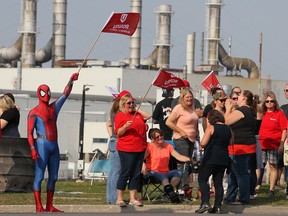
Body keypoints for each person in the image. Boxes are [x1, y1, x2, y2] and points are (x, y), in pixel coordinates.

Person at [27, 73, 78, 212]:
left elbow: (64, 95)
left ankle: (49, 205)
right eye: (44, 92)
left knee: (54, 177)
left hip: (53, 145)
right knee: (39, 176)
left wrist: (70, 81)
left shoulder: (53, 109)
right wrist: (32, 148)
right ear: (39, 94)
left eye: (48, 91)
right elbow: (29, 133)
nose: (47, 94)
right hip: (42, 144)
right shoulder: (34, 112)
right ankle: (39, 206)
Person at [114, 91, 151, 207]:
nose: (131, 105)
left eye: (133, 103)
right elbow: (118, 133)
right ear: (123, 104)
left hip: (139, 148)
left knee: (136, 174)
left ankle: (132, 198)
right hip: (126, 148)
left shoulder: (137, 114)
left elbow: (148, 116)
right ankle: (119, 198)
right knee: (125, 172)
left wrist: (137, 109)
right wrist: (125, 126)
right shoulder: (120, 115)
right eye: (129, 103)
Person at [195, 110, 232, 214]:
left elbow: (203, 143)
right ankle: (217, 206)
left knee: (202, 179)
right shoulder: (228, 128)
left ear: (211, 118)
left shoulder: (211, 127)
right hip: (223, 159)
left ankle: (205, 203)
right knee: (218, 182)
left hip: (211, 158)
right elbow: (231, 142)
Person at [224, 90, 257, 204]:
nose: (237, 97)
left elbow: (226, 121)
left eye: (239, 95)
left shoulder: (242, 110)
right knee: (234, 173)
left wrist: (228, 108)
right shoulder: (249, 111)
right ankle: (230, 197)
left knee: (240, 173)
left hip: (240, 147)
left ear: (244, 99)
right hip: (243, 146)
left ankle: (243, 198)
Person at [142, 128, 191, 203]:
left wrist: (189, 159)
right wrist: (143, 164)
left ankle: (167, 194)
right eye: (157, 137)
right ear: (152, 138)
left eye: (161, 135)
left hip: (165, 171)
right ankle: (171, 194)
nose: (160, 138)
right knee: (163, 176)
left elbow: (178, 156)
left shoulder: (168, 145)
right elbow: (141, 159)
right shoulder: (150, 147)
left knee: (179, 172)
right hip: (152, 172)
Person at [166, 88, 199, 192]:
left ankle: (185, 187)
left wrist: (197, 133)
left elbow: (195, 122)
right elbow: (169, 122)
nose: (189, 99)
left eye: (190, 97)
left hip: (192, 139)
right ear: (182, 98)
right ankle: (182, 189)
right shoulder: (178, 108)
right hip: (181, 139)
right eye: (187, 97)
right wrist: (180, 131)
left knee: (189, 164)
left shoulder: (193, 107)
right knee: (184, 164)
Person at [259, 91, 287, 197]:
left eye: (271, 101)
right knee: (259, 166)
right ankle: (256, 187)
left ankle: (271, 189)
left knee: (273, 167)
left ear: (275, 102)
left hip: (274, 144)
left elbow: (284, 129)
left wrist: (281, 143)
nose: (269, 103)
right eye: (267, 101)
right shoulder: (262, 112)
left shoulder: (279, 113)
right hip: (261, 144)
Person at [105, 92, 123, 205]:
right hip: (118, 141)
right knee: (117, 171)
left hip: (112, 140)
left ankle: (110, 197)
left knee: (113, 172)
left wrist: (111, 135)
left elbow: (108, 124)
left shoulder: (113, 112)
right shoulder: (120, 114)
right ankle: (115, 198)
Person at [280, 83, 288, 198]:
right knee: (286, 165)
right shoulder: (283, 108)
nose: (286, 92)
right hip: (286, 141)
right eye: (285, 90)